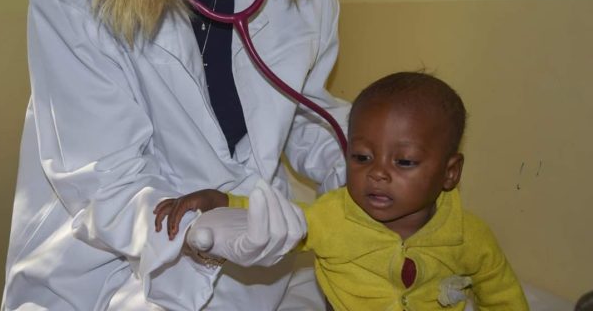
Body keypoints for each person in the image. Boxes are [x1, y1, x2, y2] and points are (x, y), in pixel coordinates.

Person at [2, 0, 349, 310]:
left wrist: (365, 176)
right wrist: (203, 228)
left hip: (253, 275)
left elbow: (308, 117)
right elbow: (106, 179)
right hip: (102, 271)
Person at [157, 72, 530, 310]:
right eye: (362, 157)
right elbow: (273, 218)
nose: (377, 173)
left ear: (450, 173)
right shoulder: (333, 216)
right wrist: (220, 201)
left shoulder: (469, 236)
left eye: (404, 162)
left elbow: (501, 293)